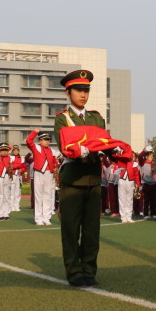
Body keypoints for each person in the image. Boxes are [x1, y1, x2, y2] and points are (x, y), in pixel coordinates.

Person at [53, 69, 105, 287]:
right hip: (73, 180)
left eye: (86, 90)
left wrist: (96, 148)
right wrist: (87, 148)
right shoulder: (62, 119)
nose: (83, 95)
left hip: (93, 179)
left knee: (92, 231)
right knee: (71, 230)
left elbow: (103, 142)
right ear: (69, 92)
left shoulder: (96, 117)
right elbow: (67, 147)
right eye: (78, 90)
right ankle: (74, 272)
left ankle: (89, 270)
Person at [26, 130, 59, 226]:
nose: (48, 141)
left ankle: (46, 218)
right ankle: (38, 218)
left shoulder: (52, 150)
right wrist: (34, 132)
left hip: (49, 174)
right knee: (38, 196)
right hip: (39, 173)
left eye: (49, 139)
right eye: (45, 140)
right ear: (40, 141)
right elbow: (28, 141)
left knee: (47, 196)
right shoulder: (36, 147)